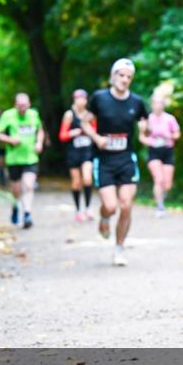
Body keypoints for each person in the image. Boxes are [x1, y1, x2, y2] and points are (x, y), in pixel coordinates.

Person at [81, 59, 149, 267]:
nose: (125, 80)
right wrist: (97, 138)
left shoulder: (136, 102)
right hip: (104, 160)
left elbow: (143, 121)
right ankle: (104, 218)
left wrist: (145, 130)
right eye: (121, 75)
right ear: (113, 76)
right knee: (110, 207)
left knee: (126, 206)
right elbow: (84, 121)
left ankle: (119, 248)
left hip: (126, 159)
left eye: (129, 77)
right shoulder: (100, 98)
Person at [0, 93, 44, 229]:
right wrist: (10, 140)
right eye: (19, 105)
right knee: (16, 190)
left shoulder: (33, 115)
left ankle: (27, 213)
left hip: (30, 157)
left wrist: (39, 143)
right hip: (14, 159)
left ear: (29, 104)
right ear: (15, 105)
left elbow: (40, 130)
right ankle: (15, 206)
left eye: (25, 105)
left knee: (28, 185)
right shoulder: (7, 115)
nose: (22, 108)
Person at [140, 84, 181, 217]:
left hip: (167, 151)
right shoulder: (148, 119)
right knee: (158, 179)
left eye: (160, 103)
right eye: (155, 103)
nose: (157, 106)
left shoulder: (170, 119)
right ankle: (160, 207)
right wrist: (150, 141)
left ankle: (161, 199)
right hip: (154, 151)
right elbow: (141, 137)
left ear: (163, 105)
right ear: (152, 105)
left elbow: (177, 135)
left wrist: (168, 136)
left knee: (167, 183)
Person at [59, 89, 96, 222]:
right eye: (78, 98)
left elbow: (95, 133)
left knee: (87, 178)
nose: (81, 101)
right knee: (76, 182)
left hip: (87, 151)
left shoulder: (90, 116)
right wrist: (71, 133)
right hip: (73, 152)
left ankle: (88, 207)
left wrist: (89, 130)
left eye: (83, 98)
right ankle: (78, 209)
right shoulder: (69, 115)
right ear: (74, 99)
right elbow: (62, 135)